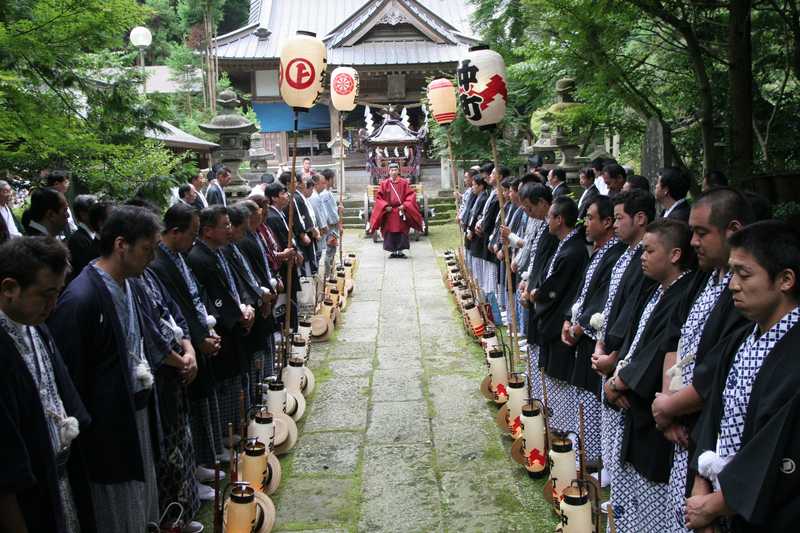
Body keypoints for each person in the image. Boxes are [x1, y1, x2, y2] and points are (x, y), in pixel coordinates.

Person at [48, 205, 164, 532]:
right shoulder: (80, 299)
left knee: (143, 496)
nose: (152, 258)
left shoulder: (131, 282)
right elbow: (71, 379)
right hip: (106, 426)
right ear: (120, 245)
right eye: (147, 250)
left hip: (135, 408)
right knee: (116, 508)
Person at [647, 187, 754, 532]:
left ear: (733, 230)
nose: (693, 241)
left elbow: (718, 370)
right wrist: (667, 402)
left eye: (701, 232)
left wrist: (673, 406)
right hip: (680, 422)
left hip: (707, 431)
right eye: (691, 231)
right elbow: (675, 340)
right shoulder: (705, 280)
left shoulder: (743, 296)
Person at [687, 221, 800, 532]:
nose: (732, 284)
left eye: (744, 274)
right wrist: (701, 481)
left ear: (785, 280)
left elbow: (780, 451)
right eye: (732, 272)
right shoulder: (741, 338)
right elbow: (713, 415)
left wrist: (717, 504)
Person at [604, 219, 696, 532]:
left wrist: (620, 381)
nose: (642, 256)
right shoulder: (655, 290)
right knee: (631, 490)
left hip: (651, 405)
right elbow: (636, 339)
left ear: (674, 255)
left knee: (651, 496)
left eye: (649, 250)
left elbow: (660, 350)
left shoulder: (683, 295)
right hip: (630, 396)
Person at [0, 237, 91, 533]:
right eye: (45, 295)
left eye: (57, 294)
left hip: (58, 475)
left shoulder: (36, 325)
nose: (53, 305)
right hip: (28, 492)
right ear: (9, 288)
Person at [148, 204, 225, 498]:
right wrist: (194, 341)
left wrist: (205, 331)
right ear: (175, 232)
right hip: (177, 354)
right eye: (191, 234)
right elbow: (169, 311)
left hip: (193, 340)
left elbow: (190, 301)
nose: (194, 241)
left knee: (200, 405)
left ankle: (200, 463)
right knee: (186, 415)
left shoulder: (178, 256)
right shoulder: (158, 263)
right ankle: (191, 474)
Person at [591, 190, 657, 493]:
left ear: (640, 219)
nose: (615, 225)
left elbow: (634, 316)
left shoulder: (646, 265)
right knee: (608, 423)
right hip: (607, 347)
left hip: (621, 358)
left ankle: (616, 486)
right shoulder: (624, 254)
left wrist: (615, 356)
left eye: (619, 218)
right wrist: (600, 343)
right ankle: (610, 479)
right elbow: (612, 303)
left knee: (619, 428)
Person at [561, 195, 626, 468]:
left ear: (608, 222)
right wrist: (568, 318)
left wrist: (580, 325)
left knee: (591, 394)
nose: (585, 223)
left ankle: (593, 455)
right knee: (582, 393)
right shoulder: (599, 250)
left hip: (594, 336)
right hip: (581, 332)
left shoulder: (616, 255)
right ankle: (584, 445)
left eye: (590, 218)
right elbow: (584, 291)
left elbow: (603, 298)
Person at [187, 206, 255, 442]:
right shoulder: (198, 257)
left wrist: (244, 308)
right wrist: (236, 315)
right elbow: (212, 298)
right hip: (220, 328)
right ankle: (226, 434)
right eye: (224, 225)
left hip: (233, 321)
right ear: (207, 231)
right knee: (226, 383)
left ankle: (236, 426)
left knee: (236, 379)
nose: (230, 230)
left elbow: (231, 287)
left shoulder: (219, 252)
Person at [531, 196, 589, 435]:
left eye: (550, 216)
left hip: (559, 318)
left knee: (560, 377)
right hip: (554, 316)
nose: (546, 221)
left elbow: (556, 286)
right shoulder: (565, 244)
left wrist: (538, 294)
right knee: (553, 375)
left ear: (560, 219)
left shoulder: (573, 251)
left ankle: (562, 428)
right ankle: (555, 419)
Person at [368, 161, 423, 258]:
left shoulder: (404, 182)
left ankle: (400, 251)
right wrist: (385, 206)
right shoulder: (384, 184)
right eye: (392, 170)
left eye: (395, 170)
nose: (393, 172)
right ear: (389, 171)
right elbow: (379, 198)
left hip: (400, 210)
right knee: (389, 231)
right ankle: (393, 251)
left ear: (398, 171)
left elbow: (410, 195)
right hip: (389, 211)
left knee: (402, 231)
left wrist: (405, 205)